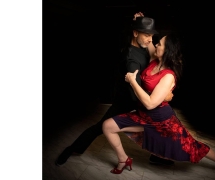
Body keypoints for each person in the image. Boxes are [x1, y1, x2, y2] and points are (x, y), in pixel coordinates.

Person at [102, 33, 215, 180]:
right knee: (108, 126)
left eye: (159, 44)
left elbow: (150, 104)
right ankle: (124, 160)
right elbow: (148, 42)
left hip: (162, 121)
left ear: (168, 50)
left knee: (192, 146)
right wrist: (141, 22)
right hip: (142, 116)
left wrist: (133, 81)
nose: (155, 44)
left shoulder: (168, 75)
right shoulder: (155, 60)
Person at [55, 12, 175, 166]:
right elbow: (134, 93)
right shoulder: (132, 60)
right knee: (101, 127)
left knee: (160, 126)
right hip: (128, 101)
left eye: (151, 35)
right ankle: (72, 149)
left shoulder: (142, 44)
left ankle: (157, 155)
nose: (151, 40)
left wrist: (138, 22)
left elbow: (148, 46)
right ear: (136, 33)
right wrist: (160, 96)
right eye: (147, 35)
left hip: (140, 98)